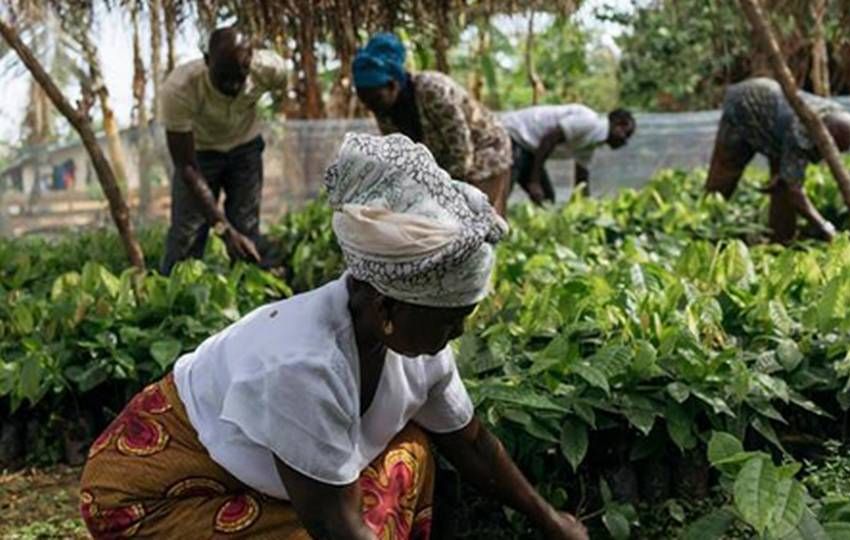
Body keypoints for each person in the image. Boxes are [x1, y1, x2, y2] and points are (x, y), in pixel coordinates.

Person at [79, 133, 589, 540]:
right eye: (449, 319)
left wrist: (551, 521)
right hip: (154, 495)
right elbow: (337, 527)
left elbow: (471, 443)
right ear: (388, 307)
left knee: (414, 445)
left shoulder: (414, 341)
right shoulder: (303, 365)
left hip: (259, 479)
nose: (458, 332)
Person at [158, 27, 288, 274]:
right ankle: (174, 304)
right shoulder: (178, 90)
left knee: (246, 229)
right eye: (224, 77)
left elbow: (283, 95)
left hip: (246, 148)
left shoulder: (270, 69)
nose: (233, 86)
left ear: (251, 61)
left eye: (240, 77)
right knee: (187, 234)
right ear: (207, 62)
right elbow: (185, 166)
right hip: (199, 155)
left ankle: (252, 297)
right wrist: (224, 231)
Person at [352, 33, 513, 216]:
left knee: (472, 218)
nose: (369, 106)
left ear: (392, 85)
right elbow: (402, 156)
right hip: (447, 161)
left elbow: (459, 147)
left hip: (483, 148)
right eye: (363, 99)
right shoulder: (384, 110)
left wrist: (444, 192)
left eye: (374, 98)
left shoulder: (431, 90)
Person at [705, 77, 850, 243]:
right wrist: (823, 226)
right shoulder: (799, 132)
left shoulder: (837, 115)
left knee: (782, 185)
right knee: (725, 173)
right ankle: (705, 228)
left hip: (775, 118)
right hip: (744, 105)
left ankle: (781, 239)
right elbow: (794, 190)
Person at [502, 105, 635, 205]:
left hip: (529, 149)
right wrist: (534, 181)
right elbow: (549, 139)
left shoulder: (591, 143)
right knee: (501, 194)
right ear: (617, 123)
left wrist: (586, 206)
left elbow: (582, 179)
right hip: (514, 135)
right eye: (626, 134)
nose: (625, 141)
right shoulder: (589, 122)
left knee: (547, 201)